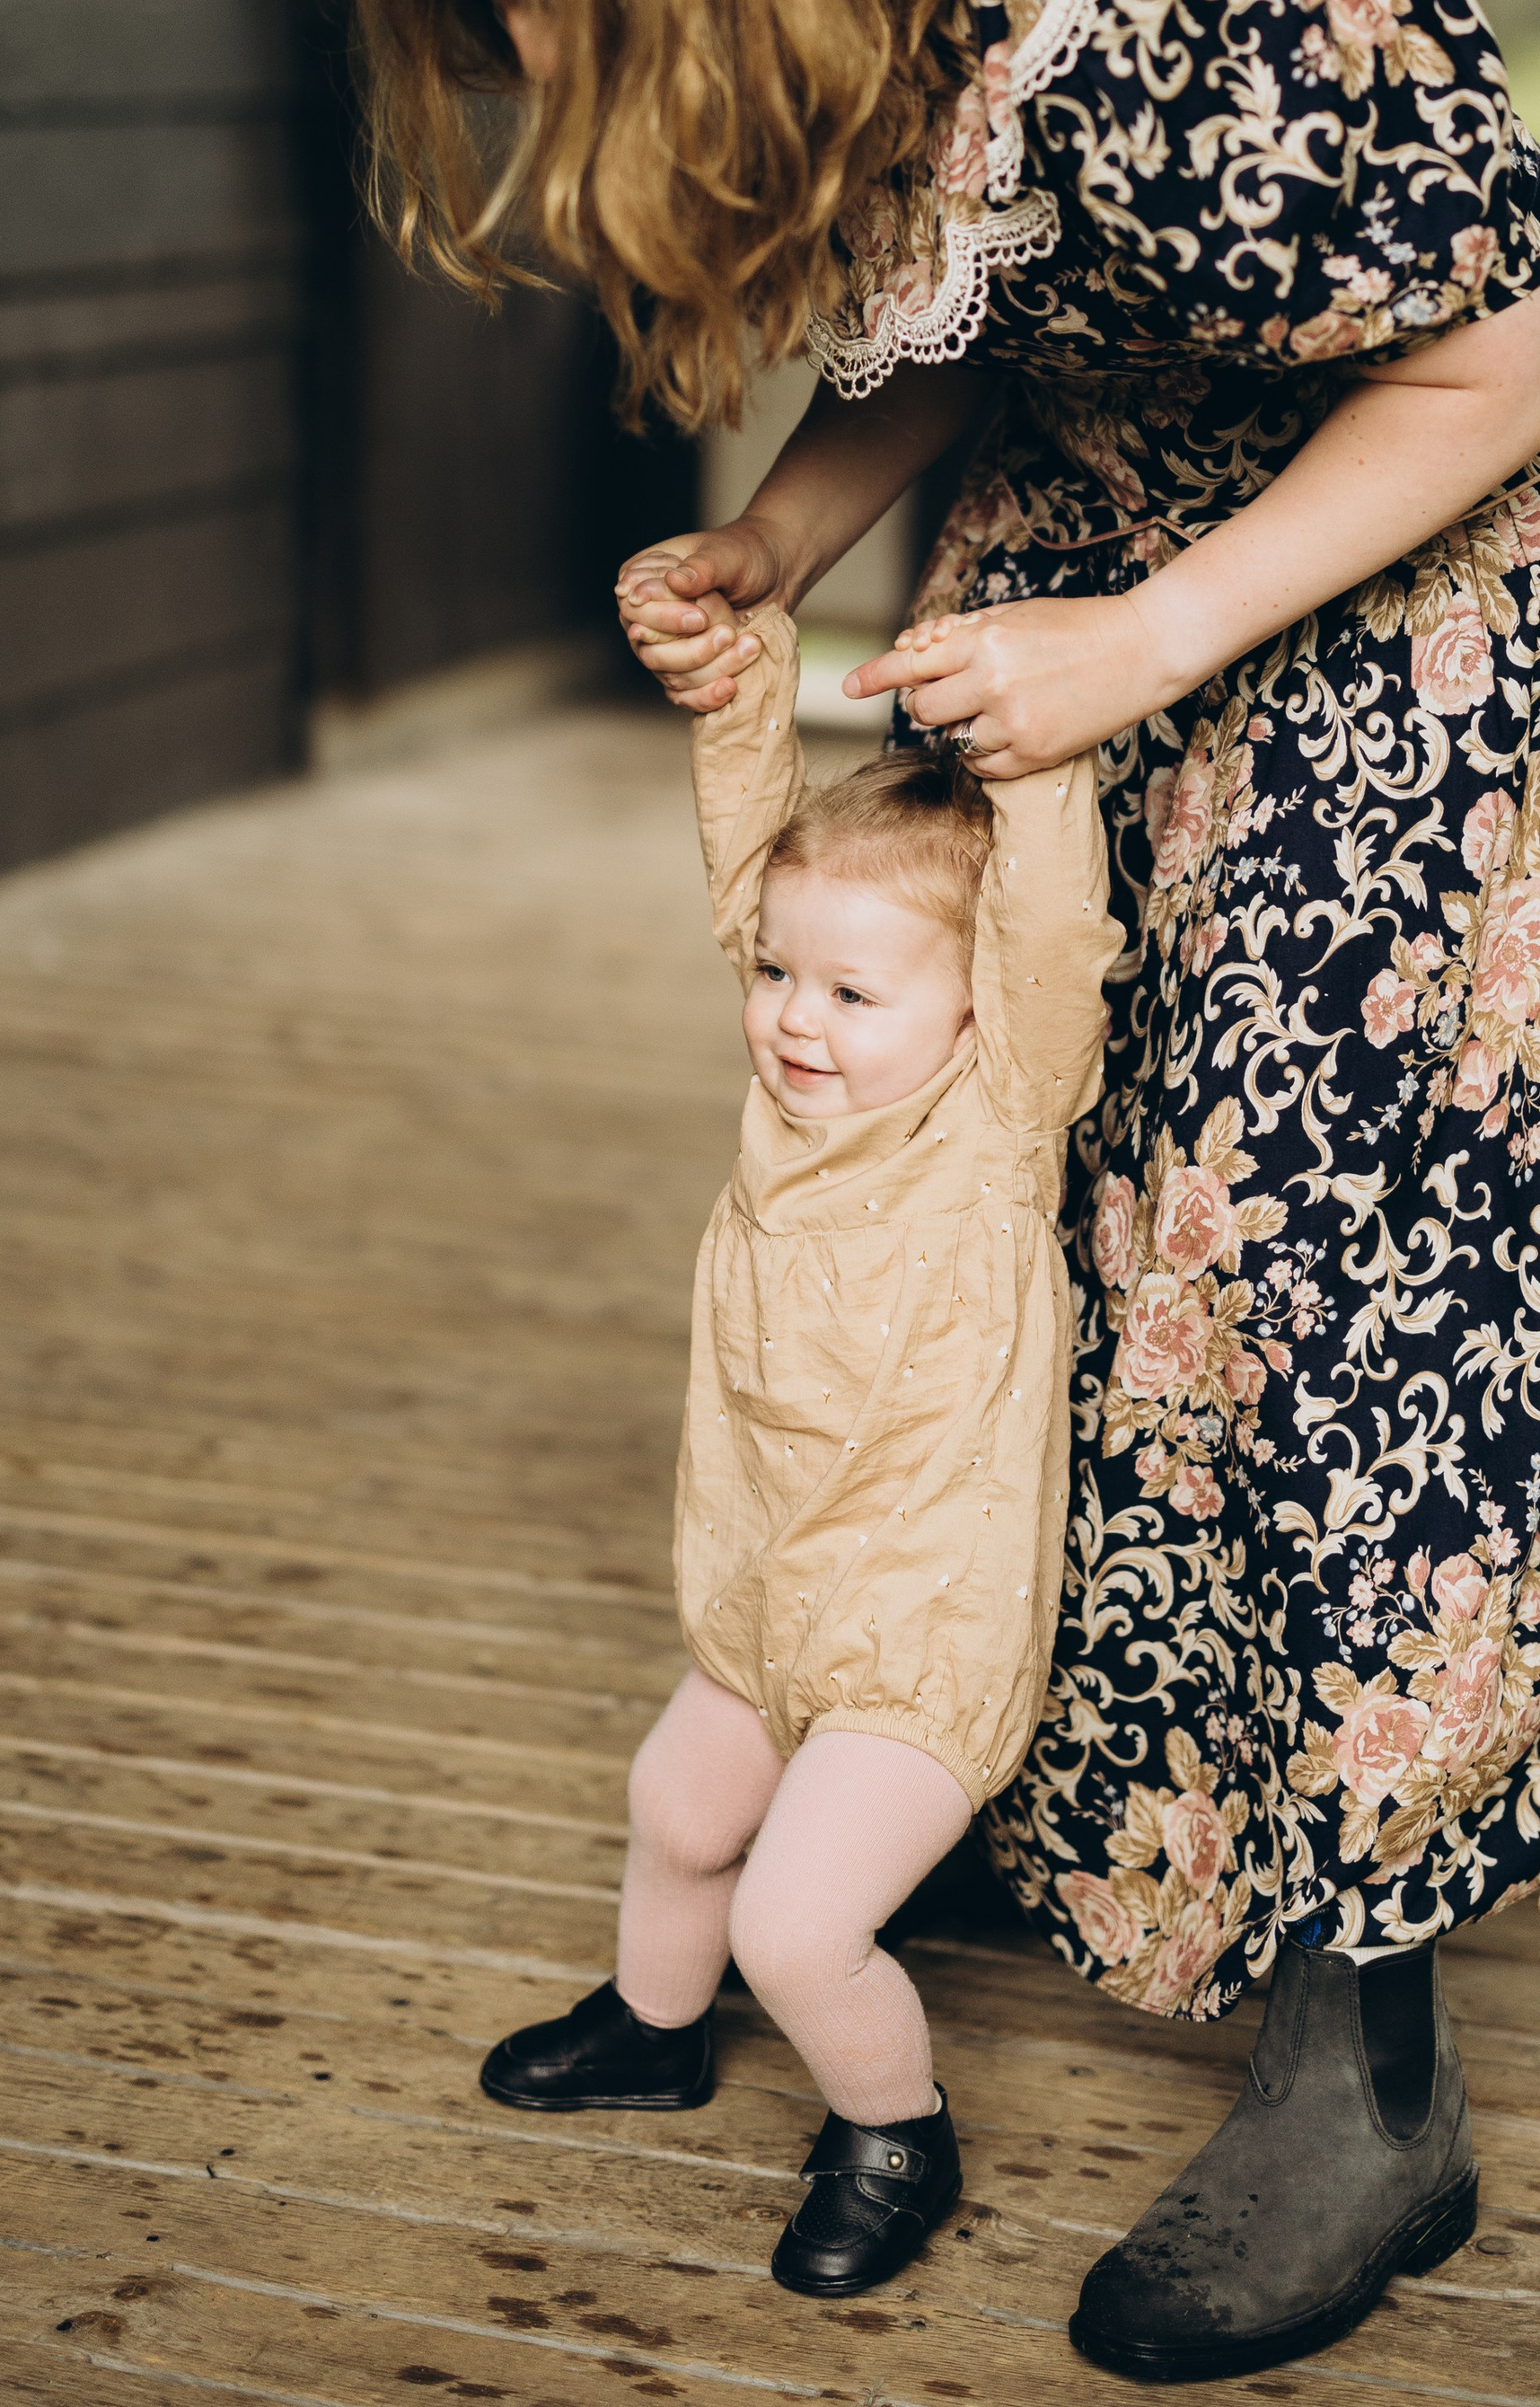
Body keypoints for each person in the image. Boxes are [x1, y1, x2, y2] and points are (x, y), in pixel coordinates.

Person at [347, 0, 1540, 2382]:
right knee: (1036, 1156)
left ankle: (1364, 2067)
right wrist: (789, 535)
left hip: (1418, 567)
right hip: (1113, 544)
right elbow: (995, 289)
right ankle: (1051, 1785)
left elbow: (1500, 355)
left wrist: (1151, 642)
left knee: (1307, 1250)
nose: (531, 63)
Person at [476, 606, 1118, 2300]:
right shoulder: (793, 1100)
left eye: (849, 991)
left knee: (796, 1920)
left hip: (922, 1632)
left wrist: (1041, 763)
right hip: (772, 1593)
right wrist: (740, 678)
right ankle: (654, 2025)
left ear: (975, 1006)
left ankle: (896, 2130)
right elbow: (748, 863)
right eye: (776, 976)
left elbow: (1053, 930)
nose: (792, 1019)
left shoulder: (996, 1119)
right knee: (678, 1807)